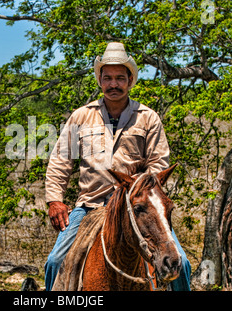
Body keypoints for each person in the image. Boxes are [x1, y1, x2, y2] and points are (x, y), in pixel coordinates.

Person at [44, 42, 191, 291]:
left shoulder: (147, 117)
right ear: (100, 80)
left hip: (136, 207)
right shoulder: (81, 116)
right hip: (90, 205)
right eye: (108, 78)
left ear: (130, 80)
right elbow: (61, 160)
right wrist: (55, 200)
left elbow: (158, 163)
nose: (114, 84)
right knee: (55, 261)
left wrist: (137, 187)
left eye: (120, 78)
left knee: (182, 264)